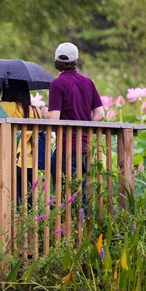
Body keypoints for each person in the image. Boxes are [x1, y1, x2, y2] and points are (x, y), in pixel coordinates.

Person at [42, 42, 104, 188]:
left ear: (56, 61)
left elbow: (54, 118)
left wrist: (44, 111)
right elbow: (100, 114)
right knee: (82, 191)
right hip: (86, 148)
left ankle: (71, 211)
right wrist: (83, 125)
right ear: (76, 61)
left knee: (67, 193)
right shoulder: (88, 82)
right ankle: (83, 212)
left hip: (66, 149)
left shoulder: (57, 84)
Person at [0, 79, 43, 208]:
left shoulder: (4, 106)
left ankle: (13, 227)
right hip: (28, 161)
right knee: (28, 200)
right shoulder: (35, 111)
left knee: (11, 201)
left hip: (10, 160)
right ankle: (29, 226)